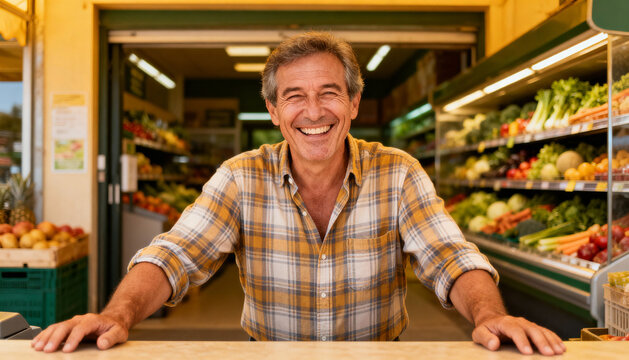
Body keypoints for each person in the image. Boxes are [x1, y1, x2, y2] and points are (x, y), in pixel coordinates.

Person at [32, 32, 565, 355]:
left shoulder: (397, 172)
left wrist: (489, 315)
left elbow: (448, 255)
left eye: (329, 93)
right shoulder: (242, 176)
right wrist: (118, 314)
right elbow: (175, 254)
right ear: (274, 111)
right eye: (295, 97)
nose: (313, 112)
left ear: (354, 103)